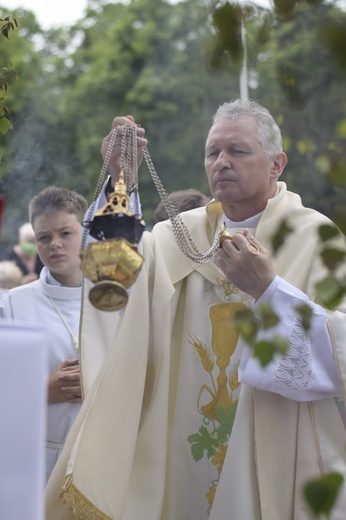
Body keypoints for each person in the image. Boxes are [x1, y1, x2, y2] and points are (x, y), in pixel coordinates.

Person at [45, 101, 346, 520]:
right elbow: (111, 281)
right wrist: (119, 179)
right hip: (179, 454)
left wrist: (268, 291)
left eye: (237, 151)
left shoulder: (314, 237)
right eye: (212, 153)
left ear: (277, 164)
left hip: (272, 454)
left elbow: (340, 353)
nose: (221, 162)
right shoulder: (175, 238)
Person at [0, 186, 88, 484]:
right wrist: (41, 391)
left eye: (66, 233)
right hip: (37, 466)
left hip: (100, 460)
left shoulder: (113, 298)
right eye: (44, 237)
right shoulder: (13, 304)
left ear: (85, 233)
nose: (55, 245)